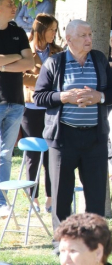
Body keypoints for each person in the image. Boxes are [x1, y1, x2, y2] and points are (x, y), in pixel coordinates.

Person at [33, 19, 112, 234]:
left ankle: (95, 242)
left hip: (95, 138)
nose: (89, 39)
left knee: (96, 194)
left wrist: (98, 97)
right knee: (61, 195)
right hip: (63, 138)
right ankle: (62, 241)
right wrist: (63, 97)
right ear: (69, 39)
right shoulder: (54, 63)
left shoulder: (99, 60)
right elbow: (39, 97)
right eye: (83, 35)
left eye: (90, 34)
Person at [21, 13, 62, 214]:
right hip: (31, 108)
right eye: (51, 29)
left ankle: (50, 197)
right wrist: (45, 80)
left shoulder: (58, 51)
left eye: (55, 29)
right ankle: (32, 197)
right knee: (33, 153)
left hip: (52, 108)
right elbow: (23, 78)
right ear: (41, 30)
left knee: (51, 153)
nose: (54, 33)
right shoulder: (26, 51)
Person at [0, 0, 35, 217]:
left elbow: (29, 62)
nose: (15, 7)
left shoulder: (17, 31)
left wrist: (3, 64)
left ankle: (1, 202)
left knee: (5, 154)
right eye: (10, 3)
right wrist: (15, 58)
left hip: (16, 101)